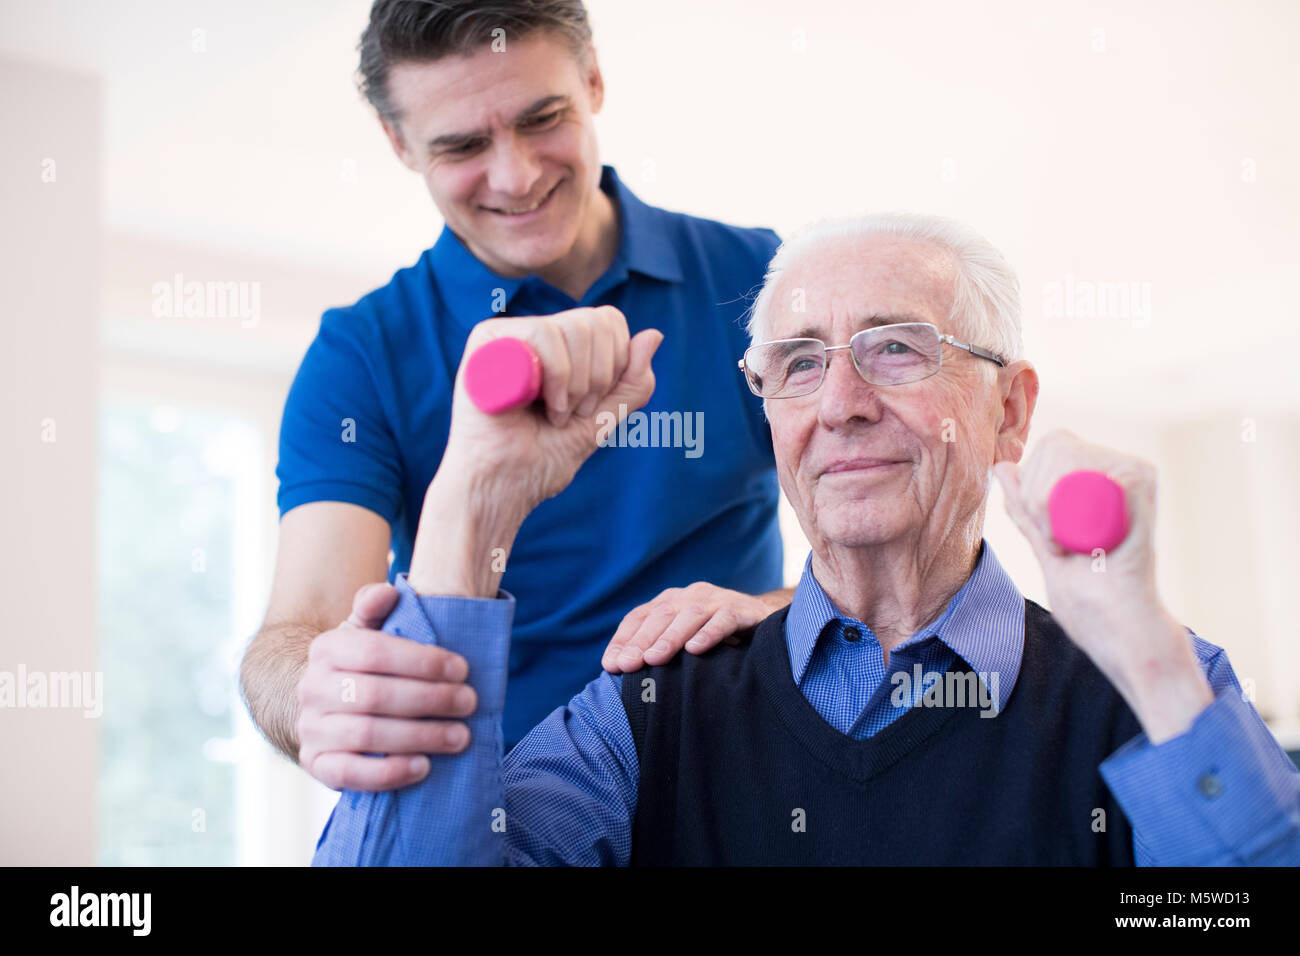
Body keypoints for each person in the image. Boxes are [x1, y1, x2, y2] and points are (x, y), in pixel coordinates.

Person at [311, 212, 1300, 865]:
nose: (839, 403)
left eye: (895, 348)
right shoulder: (649, 704)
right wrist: (467, 507)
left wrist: (1141, 650)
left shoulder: (1156, 693)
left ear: (1009, 408)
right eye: (796, 362)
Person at [239, 0, 797, 784]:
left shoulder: (759, 282)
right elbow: (298, 630)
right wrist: (324, 695)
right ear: (399, 143)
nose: (517, 175)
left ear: (594, 79)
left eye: (542, 118)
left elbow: (898, 564)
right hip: (496, 816)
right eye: (463, 144)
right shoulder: (362, 355)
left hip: (736, 790)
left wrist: (774, 616)